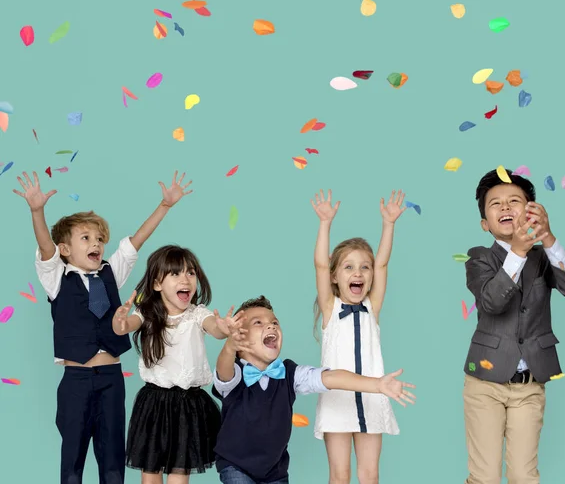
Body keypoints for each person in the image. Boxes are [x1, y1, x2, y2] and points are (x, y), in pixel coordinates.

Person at [14, 169, 192, 484]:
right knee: (73, 460)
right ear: (66, 250)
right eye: (86, 238)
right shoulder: (56, 277)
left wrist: (164, 206)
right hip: (76, 380)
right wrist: (37, 211)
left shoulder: (111, 271)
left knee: (112, 461)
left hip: (111, 379)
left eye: (99, 239)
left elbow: (137, 240)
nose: (96, 244)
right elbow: (45, 247)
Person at [463, 168, 565, 484]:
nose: (505, 207)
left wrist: (547, 238)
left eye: (514, 201)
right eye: (496, 204)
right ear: (485, 224)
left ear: (531, 211)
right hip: (485, 384)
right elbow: (492, 302)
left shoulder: (544, 257)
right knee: (485, 476)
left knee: (524, 474)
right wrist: (518, 250)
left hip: (530, 384)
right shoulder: (478, 258)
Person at [211, 295, 416, 484]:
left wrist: (377, 384)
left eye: (275, 322)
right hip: (235, 464)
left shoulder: (290, 373)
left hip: (274, 470)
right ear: (240, 339)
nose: (271, 327)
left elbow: (331, 377)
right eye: (259, 323)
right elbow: (224, 368)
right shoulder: (235, 374)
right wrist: (229, 346)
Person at [113, 245, 240, 483]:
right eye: (176, 273)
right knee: (150, 472)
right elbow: (125, 326)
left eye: (191, 273)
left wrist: (225, 327)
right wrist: (119, 321)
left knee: (179, 472)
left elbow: (215, 328)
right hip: (154, 403)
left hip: (188, 405)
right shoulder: (147, 313)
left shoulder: (197, 314)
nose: (186, 279)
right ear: (157, 284)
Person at [310, 189, 409, 484]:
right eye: (349, 267)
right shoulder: (330, 308)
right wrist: (325, 223)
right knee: (339, 476)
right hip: (336, 401)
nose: (359, 273)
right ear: (334, 275)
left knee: (369, 475)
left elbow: (382, 264)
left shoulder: (372, 307)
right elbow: (319, 264)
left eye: (364, 268)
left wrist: (389, 224)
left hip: (373, 398)